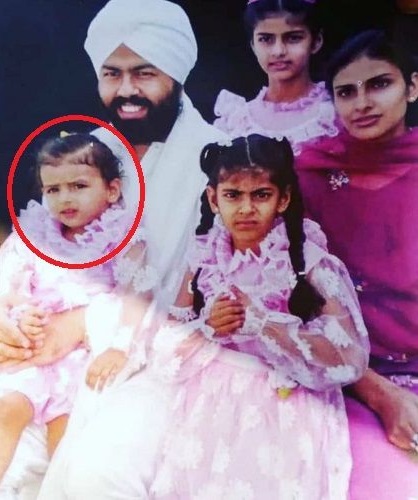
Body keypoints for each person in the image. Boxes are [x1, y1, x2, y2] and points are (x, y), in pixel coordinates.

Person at [0, 0, 226, 497]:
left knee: (90, 474)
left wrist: (88, 323)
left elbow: (206, 300)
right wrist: (1, 312)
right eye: (112, 74)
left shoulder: (221, 160)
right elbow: (34, 255)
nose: (126, 91)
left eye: (144, 73)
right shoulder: (85, 152)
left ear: (177, 71)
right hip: (43, 356)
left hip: (158, 365)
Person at [48, 134, 369, 499]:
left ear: (284, 199)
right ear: (214, 199)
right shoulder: (204, 258)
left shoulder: (308, 262)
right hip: (210, 393)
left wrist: (265, 323)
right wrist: (209, 327)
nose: (246, 208)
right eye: (233, 195)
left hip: (281, 399)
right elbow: (172, 336)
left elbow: (349, 357)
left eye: (260, 195)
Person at [0, 133, 156, 499]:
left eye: (78, 186)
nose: (65, 198)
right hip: (36, 353)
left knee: (64, 442)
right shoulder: (32, 238)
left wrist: (118, 347)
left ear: (112, 190)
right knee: (5, 410)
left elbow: (135, 298)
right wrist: (23, 313)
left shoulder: (124, 240)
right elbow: (14, 289)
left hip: (81, 357)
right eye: (53, 190)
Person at [295, 30, 418, 498]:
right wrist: (378, 391)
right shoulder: (311, 176)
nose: (362, 102)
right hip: (349, 378)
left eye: (379, 85)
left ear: (412, 87)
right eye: (346, 92)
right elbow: (296, 298)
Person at [213, 0, 338, 153]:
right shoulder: (237, 122)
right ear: (253, 44)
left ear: (316, 42)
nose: (278, 51)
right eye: (266, 39)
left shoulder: (335, 112)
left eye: (293, 38)